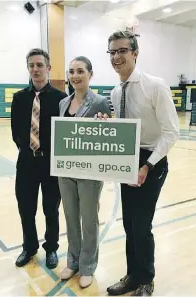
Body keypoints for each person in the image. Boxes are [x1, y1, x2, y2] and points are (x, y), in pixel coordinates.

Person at [97, 31, 179, 296]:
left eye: (122, 51)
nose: (116, 56)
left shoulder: (155, 86)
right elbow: (126, 129)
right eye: (112, 52)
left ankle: (146, 279)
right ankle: (132, 276)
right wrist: (109, 126)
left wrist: (147, 166)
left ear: (135, 53)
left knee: (142, 225)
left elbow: (171, 133)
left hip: (152, 161)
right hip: (128, 159)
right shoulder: (115, 91)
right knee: (129, 224)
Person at [11, 48, 67, 269]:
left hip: (50, 163)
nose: (35, 69)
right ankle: (29, 246)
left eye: (39, 65)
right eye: (31, 65)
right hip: (26, 162)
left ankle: (51, 247)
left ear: (49, 68)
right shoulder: (19, 98)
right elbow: (15, 131)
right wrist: (27, 149)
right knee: (26, 207)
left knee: (50, 208)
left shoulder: (61, 99)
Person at [58, 56, 111, 288]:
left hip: (89, 173)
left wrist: (105, 124)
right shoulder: (63, 102)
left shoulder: (99, 102)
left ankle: (88, 265)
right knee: (70, 218)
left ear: (90, 74)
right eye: (71, 71)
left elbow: (108, 134)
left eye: (80, 71)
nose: (75, 76)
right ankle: (73, 260)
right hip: (65, 171)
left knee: (89, 220)